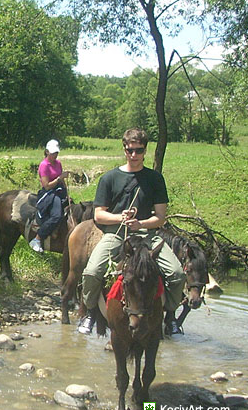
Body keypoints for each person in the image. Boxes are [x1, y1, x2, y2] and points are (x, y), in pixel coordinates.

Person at [78, 128, 185, 336]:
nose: (134, 155)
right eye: (130, 150)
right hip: (116, 234)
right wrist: (121, 218)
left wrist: (142, 223)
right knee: (91, 272)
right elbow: (99, 215)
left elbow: (161, 217)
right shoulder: (109, 178)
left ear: (145, 150)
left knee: (177, 273)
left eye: (139, 150)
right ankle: (90, 311)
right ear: (124, 149)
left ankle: (170, 316)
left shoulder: (155, 179)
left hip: (147, 236)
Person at [29, 139, 69, 253]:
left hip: (58, 190)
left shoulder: (58, 163)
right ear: (47, 152)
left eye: (56, 153)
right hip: (49, 193)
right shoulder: (44, 165)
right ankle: (37, 238)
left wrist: (66, 192)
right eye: (52, 153)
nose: (55, 155)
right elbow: (46, 186)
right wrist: (59, 178)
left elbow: (61, 181)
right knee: (56, 215)